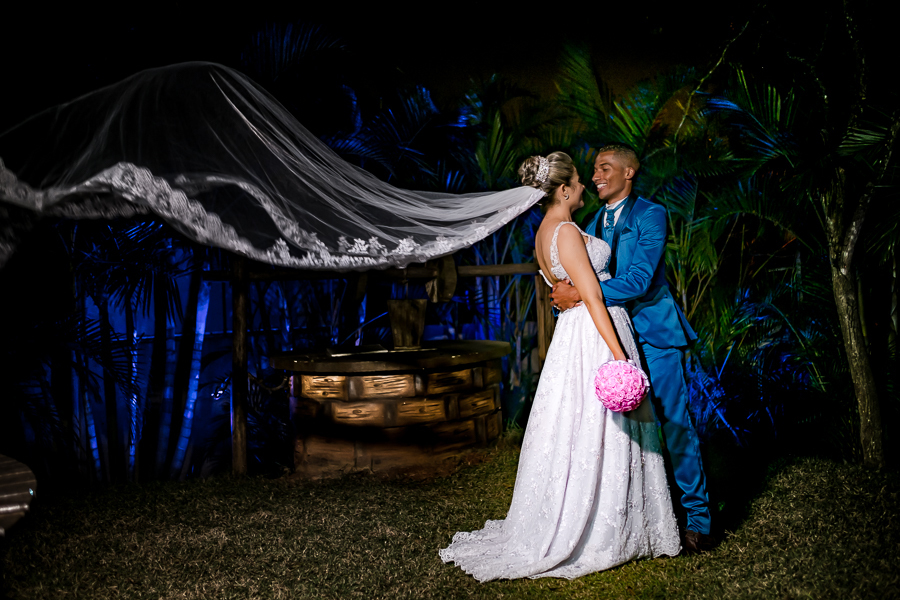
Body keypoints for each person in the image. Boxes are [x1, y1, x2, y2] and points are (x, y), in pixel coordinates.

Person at [439, 152, 680, 581]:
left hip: (572, 337)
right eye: (578, 182)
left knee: (576, 425)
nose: (587, 184)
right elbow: (590, 295)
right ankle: (601, 528)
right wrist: (621, 357)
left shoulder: (542, 233)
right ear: (564, 190)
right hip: (594, 333)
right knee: (602, 426)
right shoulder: (567, 230)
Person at [551, 143, 714, 554]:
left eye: (605, 168)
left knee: (673, 423)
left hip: (654, 335)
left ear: (629, 172)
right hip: (611, 338)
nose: (595, 176)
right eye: (592, 170)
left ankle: (698, 520)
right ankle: (639, 516)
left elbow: (640, 280)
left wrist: (583, 294)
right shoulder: (588, 221)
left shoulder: (651, 214)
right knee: (619, 434)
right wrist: (572, 299)